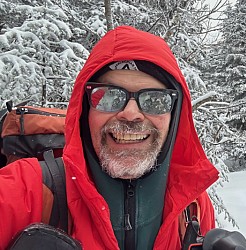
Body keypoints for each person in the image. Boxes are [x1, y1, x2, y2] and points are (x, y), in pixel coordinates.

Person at [0, 26, 219, 249]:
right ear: (85, 110)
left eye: (155, 100)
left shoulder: (193, 207)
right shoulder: (27, 190)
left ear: (175, 115)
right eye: (109, 97)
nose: (131, 114)